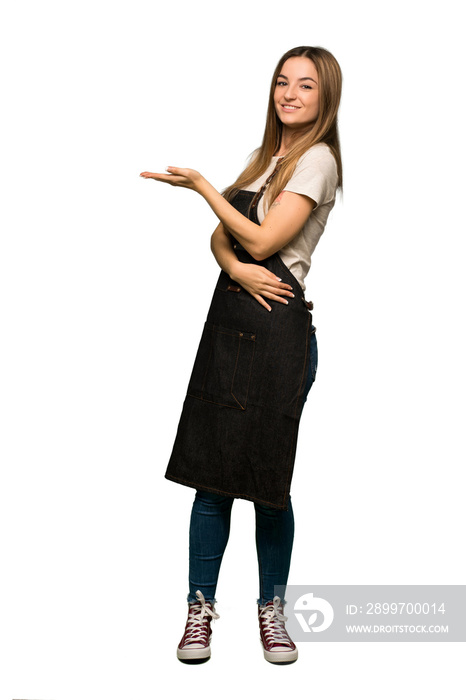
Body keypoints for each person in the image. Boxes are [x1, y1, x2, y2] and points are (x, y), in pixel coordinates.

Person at [140, 45, 343, 665]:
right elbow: (224, 240)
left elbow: (259, 236)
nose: (290, 94)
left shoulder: (317, 161)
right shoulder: (266, 158)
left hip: (280, 338)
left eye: (305, 86)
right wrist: (237, 269)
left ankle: (273, 612)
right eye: (282, 82)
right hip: (230, 327)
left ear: (325, 97)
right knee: (210, 478)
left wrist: (203, 186)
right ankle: (200, 610)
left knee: (267, 483)